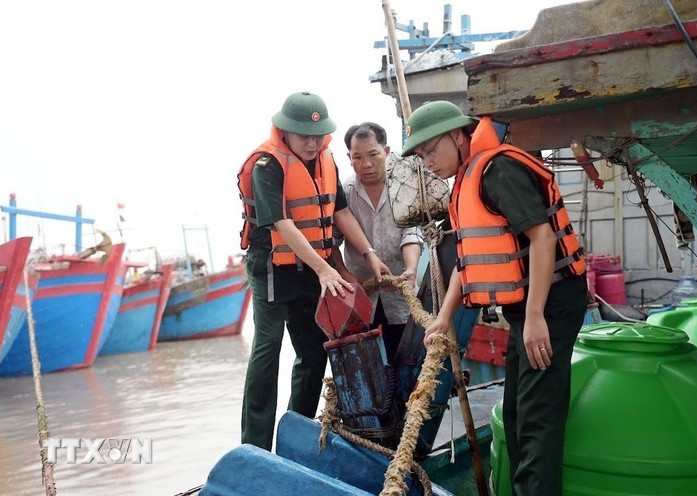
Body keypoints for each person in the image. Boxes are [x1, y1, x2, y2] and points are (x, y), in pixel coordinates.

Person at [401, 101, 588, 496]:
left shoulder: (497, 169)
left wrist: (536, 316)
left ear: (457, 134)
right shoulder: (468, 176)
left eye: (430, 150)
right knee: (518, 417)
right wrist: (444, 316)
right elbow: (465, 261)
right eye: (421, 156)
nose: (428, 162)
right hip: (526, 308)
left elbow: (542, 236)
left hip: (551, 303)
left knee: (538, 423)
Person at [236, 91, 391, 450]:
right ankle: (254, 445)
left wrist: (368, 254)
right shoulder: (266, 165)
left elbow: (339, 212)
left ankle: (296, 433)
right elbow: (281, 223)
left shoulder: (327, 161)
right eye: (303, 134)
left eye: (317, 135)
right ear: (285, 131)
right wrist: (325, 270)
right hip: (273, 267)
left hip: (310, 266)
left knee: (313, 348)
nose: (312, 141)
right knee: (268, 347)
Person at [331, 122, 423, 362]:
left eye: (373, 154)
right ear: (348, 157)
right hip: (361, 294)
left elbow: (411, 233)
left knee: (404, 362)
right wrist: (343, 274)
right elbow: (331, 241)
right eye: (357, 157)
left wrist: (411, 269)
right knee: (367, 365)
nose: (366, 164)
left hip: (400, 293)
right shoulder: (345, 192)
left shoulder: (404, 186)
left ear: (387, 151)